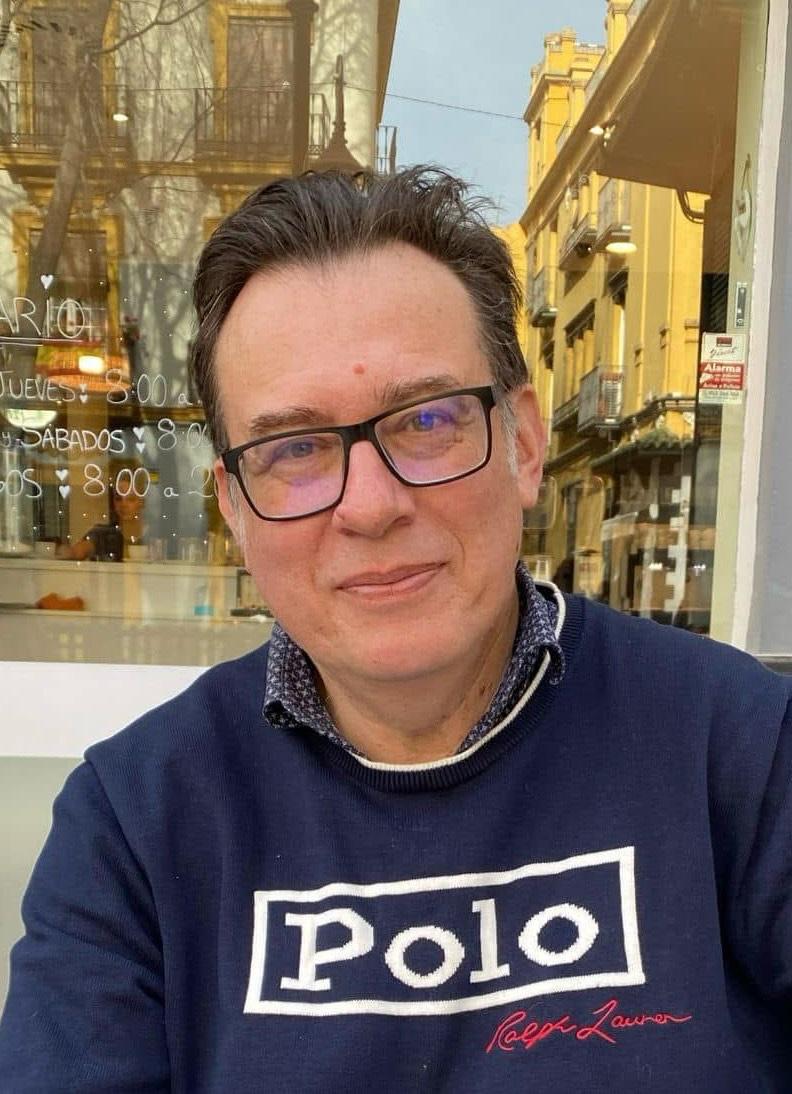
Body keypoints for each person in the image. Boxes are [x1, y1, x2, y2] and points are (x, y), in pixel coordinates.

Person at [0, 168, 790, 1092]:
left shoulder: (741, 751)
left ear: (524, 443)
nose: (370, 506)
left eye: (427, 420)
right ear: (236, 506)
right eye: (293, 448)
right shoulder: (135, 820)